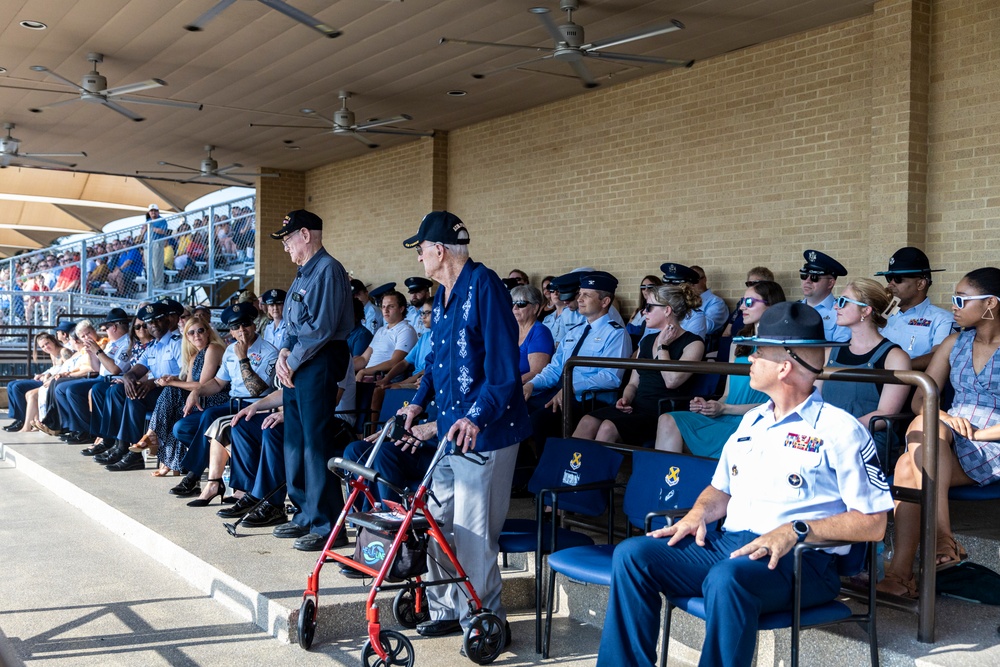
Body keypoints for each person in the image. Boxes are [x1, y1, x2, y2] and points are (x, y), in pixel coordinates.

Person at [597, 301, 893, 667]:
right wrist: (697, 515)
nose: (749, 359)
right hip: (732, 546)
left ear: (784, 366)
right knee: (633, 555)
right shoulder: (752, 421)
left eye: (758, 352)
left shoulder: (840, 430)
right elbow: (721, 489)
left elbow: (874, 523)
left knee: (727, 580)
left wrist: (795, 530)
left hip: (800, 561)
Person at [397, 211, 530, 647]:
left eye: (420, 250)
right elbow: (437, 360)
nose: (418, 259)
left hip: (485, 434)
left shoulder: (485, 285)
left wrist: (478, 415)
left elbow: (505, 367)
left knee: (474, 536)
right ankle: (449, 610)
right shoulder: (442, 296)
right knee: (435, 522)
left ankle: (485, 619)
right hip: (450, 435)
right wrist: (417, 402)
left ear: (439, 250)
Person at [880, 268, 1000, 599]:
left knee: (910, 465)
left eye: (961, 299)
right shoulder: (954, 342)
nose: (954, 306)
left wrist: (983, 433)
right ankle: (943, 539)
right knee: (927, 425)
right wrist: (945, 417)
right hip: (947, 433)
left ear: (990, 304)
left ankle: (900, 575)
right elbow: (922, 398)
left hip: (992, 441)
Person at [272, 209, 354, 552]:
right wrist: (283, 353)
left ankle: (327, 526)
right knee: (295, 441)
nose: (287, 247)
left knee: (315, 443)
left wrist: (291, 359)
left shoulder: (328, 270)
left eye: (289, 239)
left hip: (318, 360)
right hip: (299, 362)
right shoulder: (303, 273)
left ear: (306, 235)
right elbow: (292, 325)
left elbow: (320, 328)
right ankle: (305, 513)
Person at [655, 281, 784, 456]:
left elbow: (779, 405)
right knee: (667, 420)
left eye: (749, 303)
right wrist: (709, 405)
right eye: (741, 302)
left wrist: (725, 409)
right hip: (725, 415)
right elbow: (726, 394)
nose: (741, 309)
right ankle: (664, 482)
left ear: (770, 305)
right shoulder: (737, 344)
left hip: (754, 421)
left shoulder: (782, 348)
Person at [170, 302, 278, 505]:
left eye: (245, 324)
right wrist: (197, 391)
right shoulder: (230, 350)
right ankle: (208, 477)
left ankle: (199, 478)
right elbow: (219, 383)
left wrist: (243, 357)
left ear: (254, 325)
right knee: (183, 427)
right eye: (235, 327)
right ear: (230, 329)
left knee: (211, 417)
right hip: (233, 403)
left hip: (258, 406)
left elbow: (258, 390)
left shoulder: (269, 351)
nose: (241, 331)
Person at [574, 284, 704, 446]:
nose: (643, 312)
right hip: (636, 407)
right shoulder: (647, 340)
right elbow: (633, 383)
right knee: (587, 421)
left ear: (667, 310)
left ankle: (593, 470)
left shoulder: (693, 343)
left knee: (607, 427)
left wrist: (663, 347)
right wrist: (626, 399)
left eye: (648, 307)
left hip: (663, 412)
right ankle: (571, 470)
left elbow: (672, 381)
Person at [523, 271, 632, 444]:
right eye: (580, 294)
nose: (579, 299)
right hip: (559, 392)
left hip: (588, 399)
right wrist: (531, 384)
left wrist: (570, 388)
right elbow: (554, 369)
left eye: (586, 295)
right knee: (516, 409)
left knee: (540, 420)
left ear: (605, 301)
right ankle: (525, 468)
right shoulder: (575, 331)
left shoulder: (616, 334)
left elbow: (611, 378)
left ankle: (549, 468)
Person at [821, 278, 912, 466]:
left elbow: (884, 414)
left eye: (844, 301)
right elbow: (814, 400)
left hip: (867, 441)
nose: (836, 307)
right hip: (825, 438)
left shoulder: (895, 357)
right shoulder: (829, 353)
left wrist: (840, 431)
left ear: (866, 310)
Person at [137, 315, 227, 477]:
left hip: (217, 399)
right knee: (175, 407)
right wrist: (174, 379)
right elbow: (190, 385)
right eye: (191, 333)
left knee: (172, 392)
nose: (196, 335)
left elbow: (202, 386)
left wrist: (172, 383)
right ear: (187, 337)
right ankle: (172, 462)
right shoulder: (194, 356)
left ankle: (154, 438)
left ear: (208, 332)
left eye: (200, 330)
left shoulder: (214, 349)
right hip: (201, 400)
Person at [99, 302, 183, 472]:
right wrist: (129, 378)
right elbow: (136, 369)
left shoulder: (177, 343)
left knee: (135, 397)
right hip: (158, 392)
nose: (154, 325)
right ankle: (120, 444)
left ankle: (132, 454)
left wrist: (152, 383)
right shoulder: (152, 347)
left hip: (176, 392)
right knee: (118, 390)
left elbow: (186, 375)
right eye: (150, 322)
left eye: (158, 320)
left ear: (167, 320)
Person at [56, 308, 134, 445]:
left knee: (91, 390)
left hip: (114, 380)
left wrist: (97, 351)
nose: (105, 331)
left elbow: (115, 369)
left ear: (114, 327)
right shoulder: (112, 343)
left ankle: (98, 435)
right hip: (102, 377)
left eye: (107, 328)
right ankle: (80, 429)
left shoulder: (127, 343)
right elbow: (97, 368)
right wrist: (92, 353)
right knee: (69, 389)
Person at [876, 247, 954, 371]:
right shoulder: (883, 315)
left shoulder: (942, 319)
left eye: (898, 279)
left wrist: (896, 368)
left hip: (914, 384)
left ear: (920, 284)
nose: (890, 284)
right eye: (889, 278)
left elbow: (939, 356)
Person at [4, 333, 69, 432]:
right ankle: (18, 418)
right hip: (46, 379)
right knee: (11, 384)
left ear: (53, 341)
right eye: (42, 346)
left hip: (54, 381)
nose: (46, 347)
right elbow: (54, 368)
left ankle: (22, 420)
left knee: (18, 387)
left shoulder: (63, 351)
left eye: (47, 343)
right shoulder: (52, 354)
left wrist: (49, 376)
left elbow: (68, 368)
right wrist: (43, 374)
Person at [353, 290, 417, 383]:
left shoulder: (406, 330)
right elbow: (363, 359)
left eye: (391, 306)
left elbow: (394, 362)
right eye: (383, 307)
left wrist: (364, 371)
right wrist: (344, 366)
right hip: (368, 376)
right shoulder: (381, 330)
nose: (385, 310)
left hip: (385, 378)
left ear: (401, 309)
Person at [799, 248, 850, 343]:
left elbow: (839, 350)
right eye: (804, 275)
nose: (807, 281)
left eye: (815, 277)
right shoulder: (792, 310)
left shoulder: (841, 312)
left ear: (830, 283)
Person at [511, 285, 554, 385]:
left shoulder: (540, 333)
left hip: (525, 390)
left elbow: (536, 372)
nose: (515, 308)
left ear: (535, 308)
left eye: (521, 304)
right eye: (512, 303)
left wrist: (508, 386)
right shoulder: (511, 331)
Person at [660, 262, 709, 338]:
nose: (668, 290)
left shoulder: (695, 316)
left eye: (674, 286)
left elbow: (691, 345)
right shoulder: (659, 311)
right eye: (667, 285)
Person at [690, 265, 729, 336]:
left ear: (704, 280)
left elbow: (705, 327)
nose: (691, 284)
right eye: (688, 281)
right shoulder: (683, 300)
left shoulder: (716, 302)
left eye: (694, 280)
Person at [625, 275, 663, 346]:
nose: (646, 290)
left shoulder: (658, 312)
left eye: (650, 287)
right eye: (643, 287)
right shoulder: (637, 311)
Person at [144, 203, 169, 290]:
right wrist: (144, 228)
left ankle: (158, 285)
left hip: (156, 242)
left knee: (156, 265)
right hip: (147, 243)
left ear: (158, 212)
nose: (153, 213)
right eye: (151, 211)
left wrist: (151, 227)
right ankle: (151, 285)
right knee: (148, 265)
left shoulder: (161, 220)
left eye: (155, 211)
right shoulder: (147, 220)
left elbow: (162, 231)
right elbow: (142, 232)